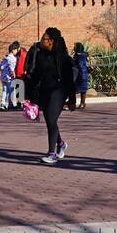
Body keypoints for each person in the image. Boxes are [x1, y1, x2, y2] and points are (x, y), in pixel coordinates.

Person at [24, 26, 75, 164]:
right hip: (45, 91)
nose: (41, 40)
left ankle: (52, 154)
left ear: (51, 41)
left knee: (51, 119)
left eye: (44, 38)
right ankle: (61, 144)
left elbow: (70, 81)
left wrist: (72, 100)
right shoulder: (41, 55)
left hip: (59, 91)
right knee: (49, 121)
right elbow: (35, 76)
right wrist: (28, 96)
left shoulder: (63, 58)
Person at [0, 42, 19, 111]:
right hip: (9, 78)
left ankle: (2, 104)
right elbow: (12, 68)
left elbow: (1, 67)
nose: (16, 51)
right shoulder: (13, 59)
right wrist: (14, 75)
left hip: (3, 77)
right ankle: (10, 104)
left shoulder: (5, 58)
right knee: (11, 91)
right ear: (13, 50)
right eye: (16, 50)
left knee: (4, 91)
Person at [72, 42, 90, 109]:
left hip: (78, 74)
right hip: (85, 73)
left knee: (73, 89)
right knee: (83, 89)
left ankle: (73, 103)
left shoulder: (77, 56)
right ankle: (82, 103)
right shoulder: (84, 55)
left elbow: (78, 64)